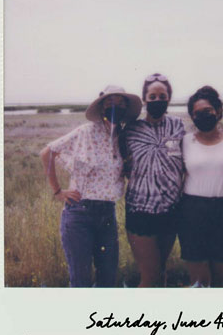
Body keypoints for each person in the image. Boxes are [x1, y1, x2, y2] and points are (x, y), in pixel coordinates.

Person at [39, 85, 142, 287]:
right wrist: (58, 191)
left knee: (108, 279)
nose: (115, 107)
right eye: (110, 103)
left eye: (120, 104)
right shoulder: (86, 132)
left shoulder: (123, 138)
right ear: (102, 107)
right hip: (80, 214)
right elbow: (47, 152)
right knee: (81, 280)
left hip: (107, 214)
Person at [121, 73, 185, 287]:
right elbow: (119, 162)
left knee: (161, 272)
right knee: (150, 277)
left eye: (162, 96)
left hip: (171, 210)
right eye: (152, 96)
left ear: (169, 98)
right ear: (144, 99)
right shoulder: (131, 130)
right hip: (141, 211)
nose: (157, 100)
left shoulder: (178, 126)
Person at [179, 86, 223, 287]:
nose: (202, 116)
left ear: (218, 111)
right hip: (192, 211)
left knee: (219, 278)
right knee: (199, 280)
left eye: (207, 111)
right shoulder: (185, 141)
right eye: (196, 113)